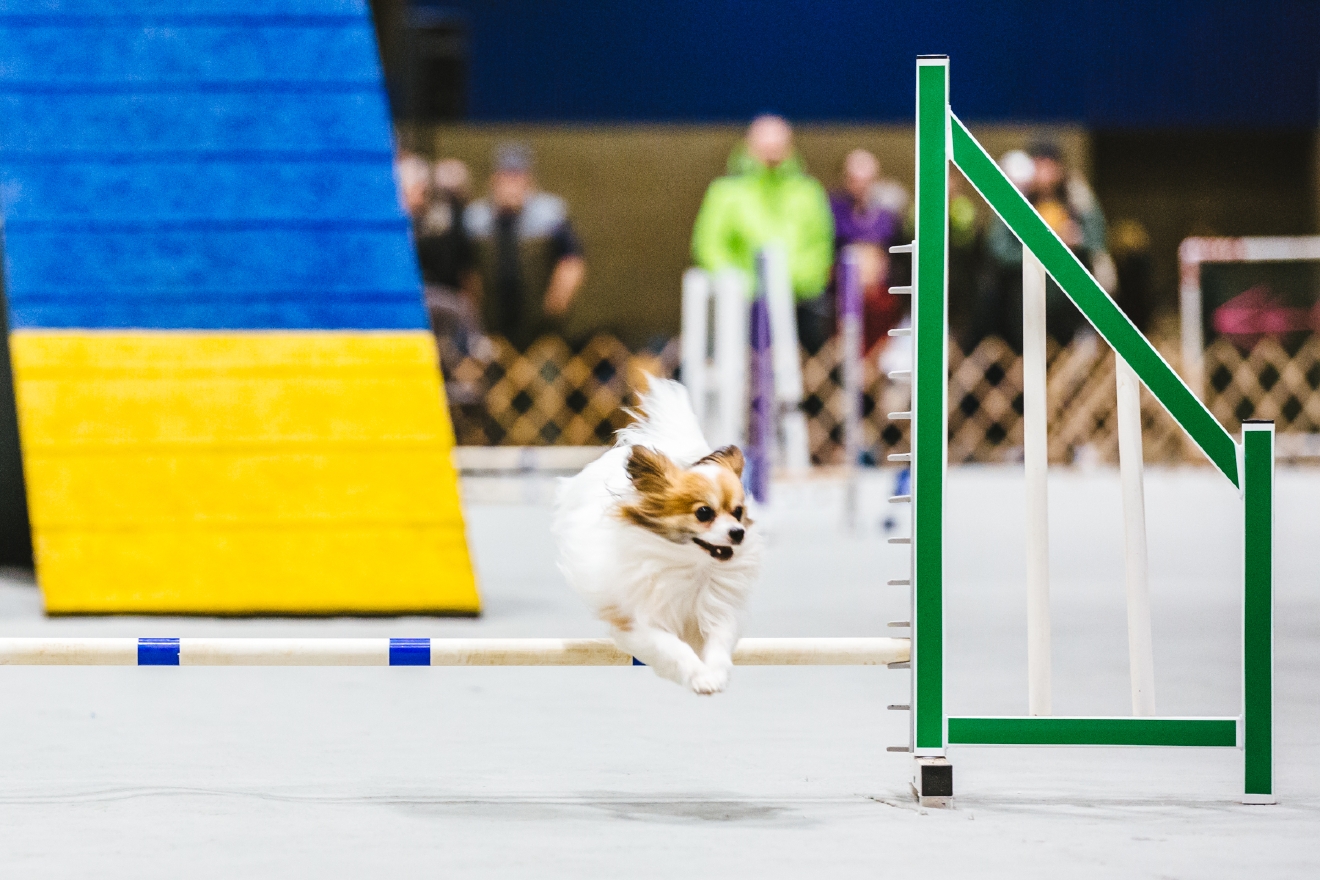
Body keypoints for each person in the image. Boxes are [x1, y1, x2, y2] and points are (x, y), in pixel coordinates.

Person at [691, 115, 835, 353]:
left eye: (778, 144)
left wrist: (792, 283)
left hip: (799, 305)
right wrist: (742, 285)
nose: (771, 152)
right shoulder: (725, 192)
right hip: (739, 307)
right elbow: (708, 246)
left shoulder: (808, 192)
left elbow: (821, 247)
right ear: (748, 146)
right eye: (764, 144)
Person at [464, 143, 585, 350]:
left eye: (518, 177)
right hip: (493, 317)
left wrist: (558, 301)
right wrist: (471, 308)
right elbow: (467, 268)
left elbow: (572, 259)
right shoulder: (475, 218)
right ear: (493, 180)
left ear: (530, 181)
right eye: (505, 177)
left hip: (540, 318)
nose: (511, 184)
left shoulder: (551, 215)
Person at [828, 149, 905, 355]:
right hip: (841, 297)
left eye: (866, 180)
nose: (860, 186)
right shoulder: (833, 211)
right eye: (855, 179)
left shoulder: (887, 218)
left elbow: (896, 258)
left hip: (880, 300)